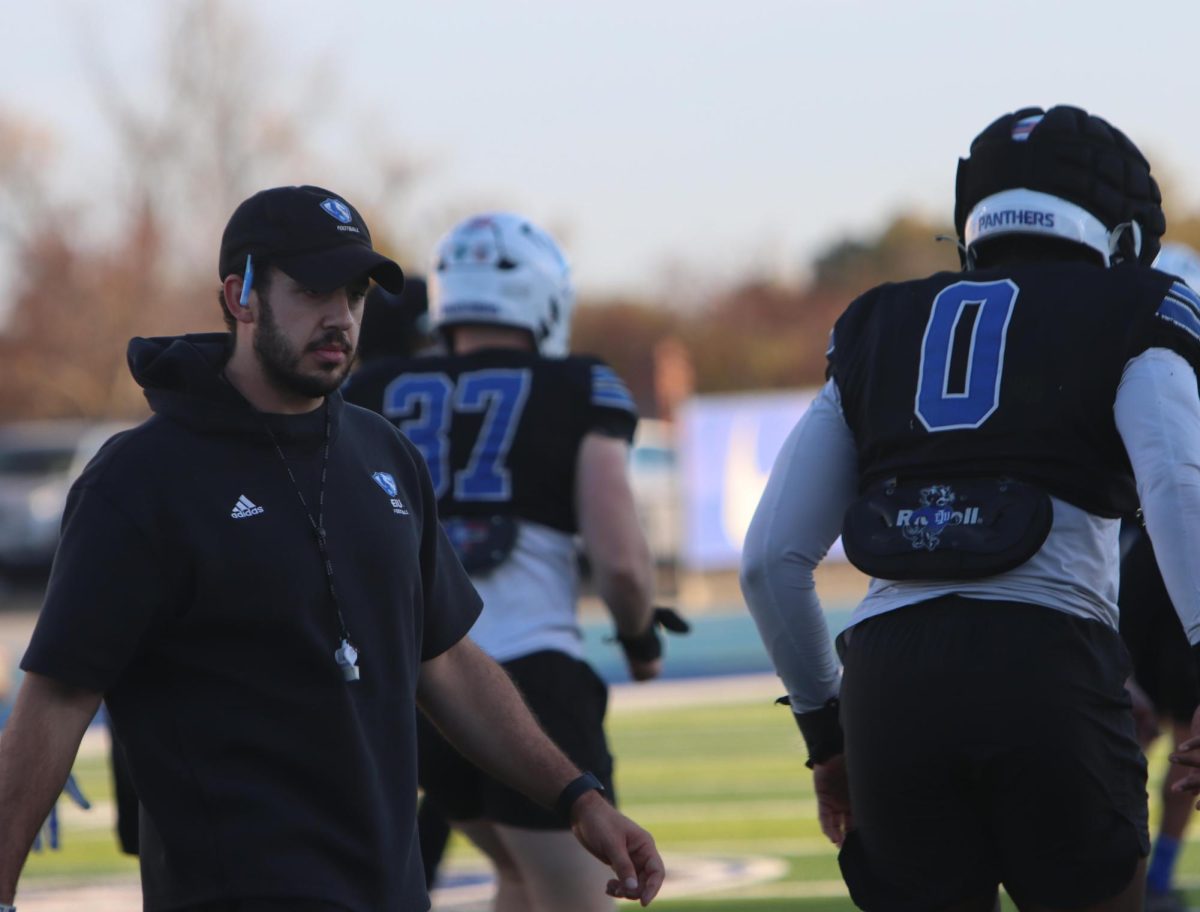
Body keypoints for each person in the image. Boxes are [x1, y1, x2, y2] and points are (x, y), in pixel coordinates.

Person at [0, 185, 664, 912]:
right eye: (314, 290)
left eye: (353, 293)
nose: (340, 316)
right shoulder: (141, 478)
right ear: (240, 294)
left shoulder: (384, 453)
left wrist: (578, 797)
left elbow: (443, 659)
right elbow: (58, 697)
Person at [740, 105, 1200, 912]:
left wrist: (828, 742)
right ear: (1122, 229)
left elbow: (769, 561)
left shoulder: (874, 323)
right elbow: (1179, 492)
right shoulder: (1139, 303)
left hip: (888, 687)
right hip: (1050, 666)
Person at [344, 212, 679, 912]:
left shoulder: (372, 390)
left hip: (422, 686)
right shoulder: (578, 384)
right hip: (533, 683)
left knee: (519, 883)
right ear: (544, 297)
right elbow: (619, 558)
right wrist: (641, 637)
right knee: (572, 894)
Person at [1118, 242, 1200, 912]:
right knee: (1134, 731)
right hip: (1136, 567)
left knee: (1175, 738)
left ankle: (1155, 877)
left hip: (1156, 567)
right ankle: (1141, 876)